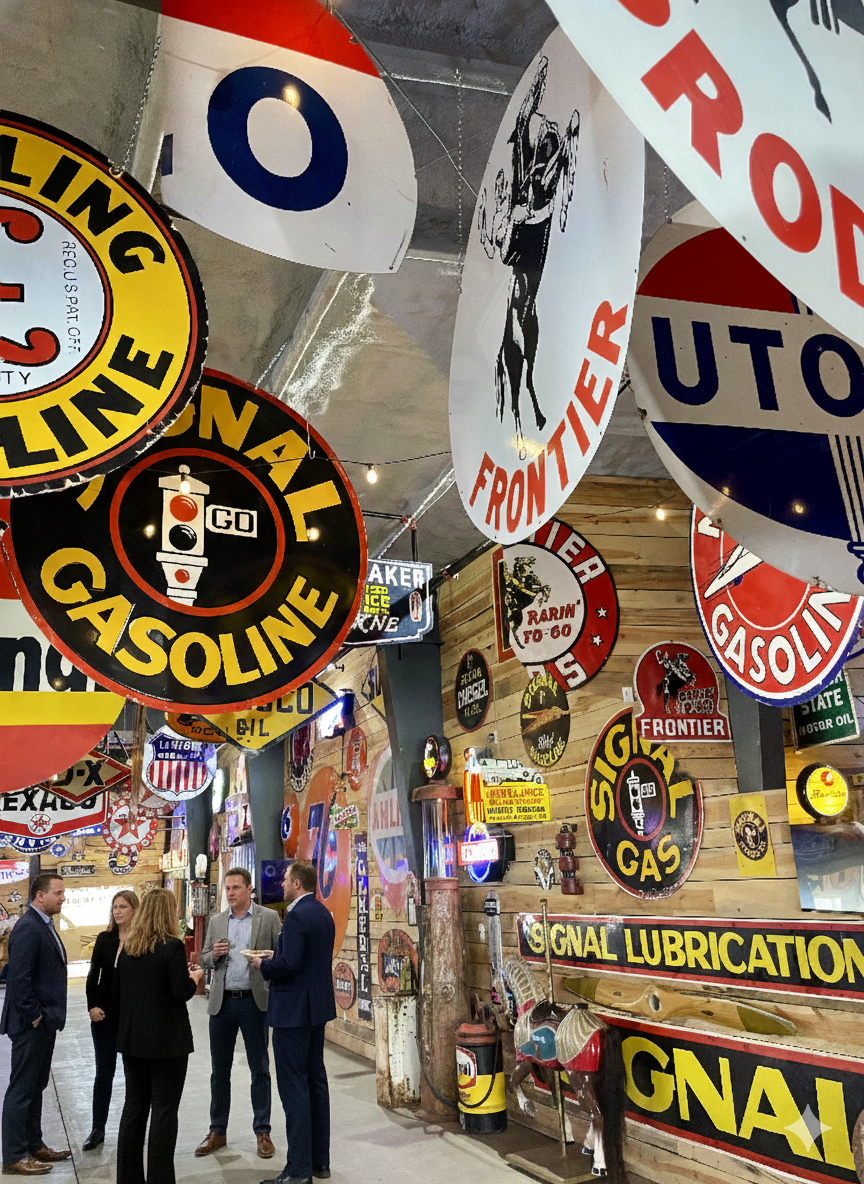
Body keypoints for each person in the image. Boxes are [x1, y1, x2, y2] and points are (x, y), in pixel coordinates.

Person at [252, 861, 335, 1184]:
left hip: (293, 1013)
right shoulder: (323, 913)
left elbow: (289, 964)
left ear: (297, 883)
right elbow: (308, 959)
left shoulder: (298, 915)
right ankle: (319, 1162)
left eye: (286, 879)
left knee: (294, 1088)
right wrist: (278, 958)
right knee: (316, 1083)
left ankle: (298, 1170)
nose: (282, 884)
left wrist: (263, 964)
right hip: (316, 1010)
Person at [114, 888, 203, 1184]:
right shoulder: (171, 946)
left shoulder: (128, 947)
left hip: (133, 1040)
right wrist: (193, 978)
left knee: (134, 1108)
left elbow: (120, 992)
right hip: (167, 1042)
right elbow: (180, 992)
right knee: (164, 1112)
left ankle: (128, 1178)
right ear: (167, 913)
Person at [194, 866, 282, 1160]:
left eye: (236, 888)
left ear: (249, 890)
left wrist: (267, 958)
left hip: (255, 1002)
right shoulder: (218, 921)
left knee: (260, 1069)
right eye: (227, 888)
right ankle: (217, 1130)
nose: (230, 893)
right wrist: (214, 955)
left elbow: (281, 956)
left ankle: (263, 1132)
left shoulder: (268, 918)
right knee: (219, 1071)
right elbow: (203, 958)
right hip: (222, 1004)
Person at [0, 873, 71, 1176]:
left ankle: (33, 1144)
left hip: (43, 1022)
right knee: (22, 1088)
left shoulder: (43, 924)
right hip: (30, 1024)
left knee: (36, 1085)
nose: (63, 898)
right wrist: (34, 1015)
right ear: (40, 896)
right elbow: (18, 977)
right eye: (58, 893)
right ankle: (14, 1155)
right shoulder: (29, 927)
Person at [83, 889, 140, 1151]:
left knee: (134, 1075)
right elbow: (93, 975)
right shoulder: (104, 939)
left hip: (132, 1017)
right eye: (115, 907)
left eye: (123, 907)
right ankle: (97, 1129)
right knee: (104, 1073)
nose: (117, 911)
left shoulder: (142, 940)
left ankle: (133, 1129)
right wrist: (92, 1006)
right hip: (104, 1016)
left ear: (135, 910)